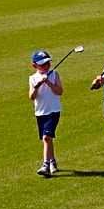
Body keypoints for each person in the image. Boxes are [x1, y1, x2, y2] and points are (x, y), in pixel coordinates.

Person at [29, 49, 63, 177]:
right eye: (42, 64)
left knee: (46, 137)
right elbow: (32, 97)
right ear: (34, 66)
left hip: (53, 111)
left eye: (48, 64)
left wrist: (48, 82)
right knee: (47, 140)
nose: (46, 66)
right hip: (40, 112)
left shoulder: (54, 75)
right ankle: (52, 161)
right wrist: (37, 86)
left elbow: (59, 91)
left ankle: (45, 165)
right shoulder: (32, 78)